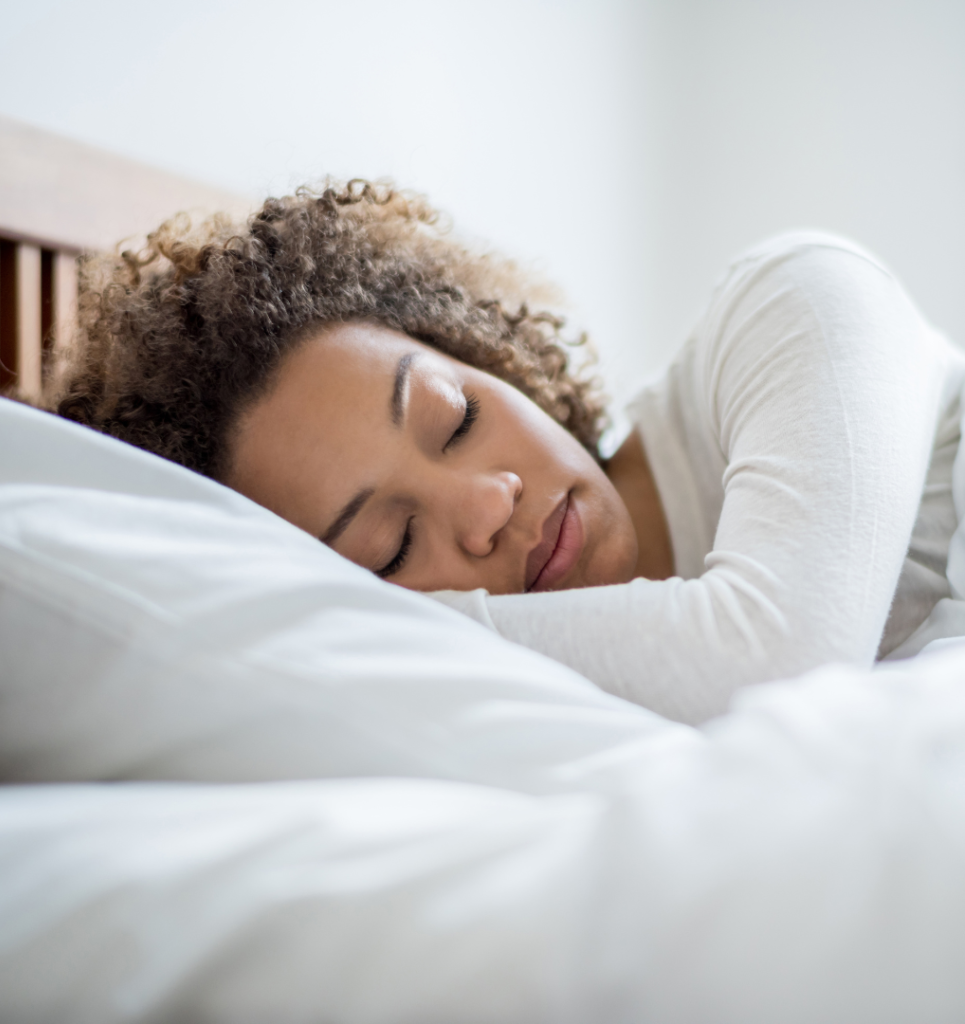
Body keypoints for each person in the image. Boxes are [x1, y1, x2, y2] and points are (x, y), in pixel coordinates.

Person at [48, 180, 965, 723]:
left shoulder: (796, 299)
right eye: (393, 550)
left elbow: (778, 657)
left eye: (455, 419)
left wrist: (374, 626)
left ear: (487, 356)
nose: (487, 505)